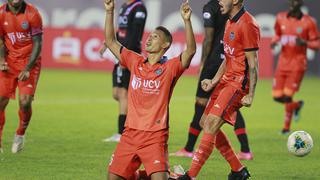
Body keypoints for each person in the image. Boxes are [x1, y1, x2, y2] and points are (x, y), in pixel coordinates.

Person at [104, 0, 196, 179]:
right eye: (150, 36)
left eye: (155, 37)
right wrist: (110, 11)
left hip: (155, 136)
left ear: (165, 45)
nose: (149, 38)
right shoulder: (135, 61)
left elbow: (191, 50)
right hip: (130, 134)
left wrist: (187, 21)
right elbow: (110, 41)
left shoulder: (170, 68)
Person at [178, 0, 260, 179]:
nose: (219, 2)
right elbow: (229, 56)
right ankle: (238, 170)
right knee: (204, 121)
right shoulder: (229, 21)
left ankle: (190, 175)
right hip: (225, 79)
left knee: (211, 124)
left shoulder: (248, 24)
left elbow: (253, 64)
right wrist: (214, 81)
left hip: (238, 83)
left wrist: (251, 95)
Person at [100, 0, 147, 142]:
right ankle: (132, 126)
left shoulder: (139, 8)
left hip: (128, 54)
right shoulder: (125, 6)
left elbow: (134, 35)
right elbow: (121, 30)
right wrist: (107, 44)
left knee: (123, 93)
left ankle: (122, 133)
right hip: (119, 53)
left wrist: (125, 57)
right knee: (117, 93)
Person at [271, 0, 320, 134]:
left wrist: (305, 42)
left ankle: (286, 128)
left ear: (300, 4)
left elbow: (316, 44)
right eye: (292, 2)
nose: (293, 4)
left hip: (297, 64)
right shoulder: (280, 18)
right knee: (276, 96)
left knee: (287, 96)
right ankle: (297, 105)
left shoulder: (309, 22)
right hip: (282, 63)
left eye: (296, 2)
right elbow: (277, 34)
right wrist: (274, 42)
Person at [0, 0, 42, 154]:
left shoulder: (32, 13)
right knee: (1, 100)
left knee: (25, 102)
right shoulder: (1, 13)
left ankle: (20, 134)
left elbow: (38, 43)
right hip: (9, 62)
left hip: (29, 62)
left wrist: (28, 68)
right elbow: (0, 39)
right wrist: (2, 60)